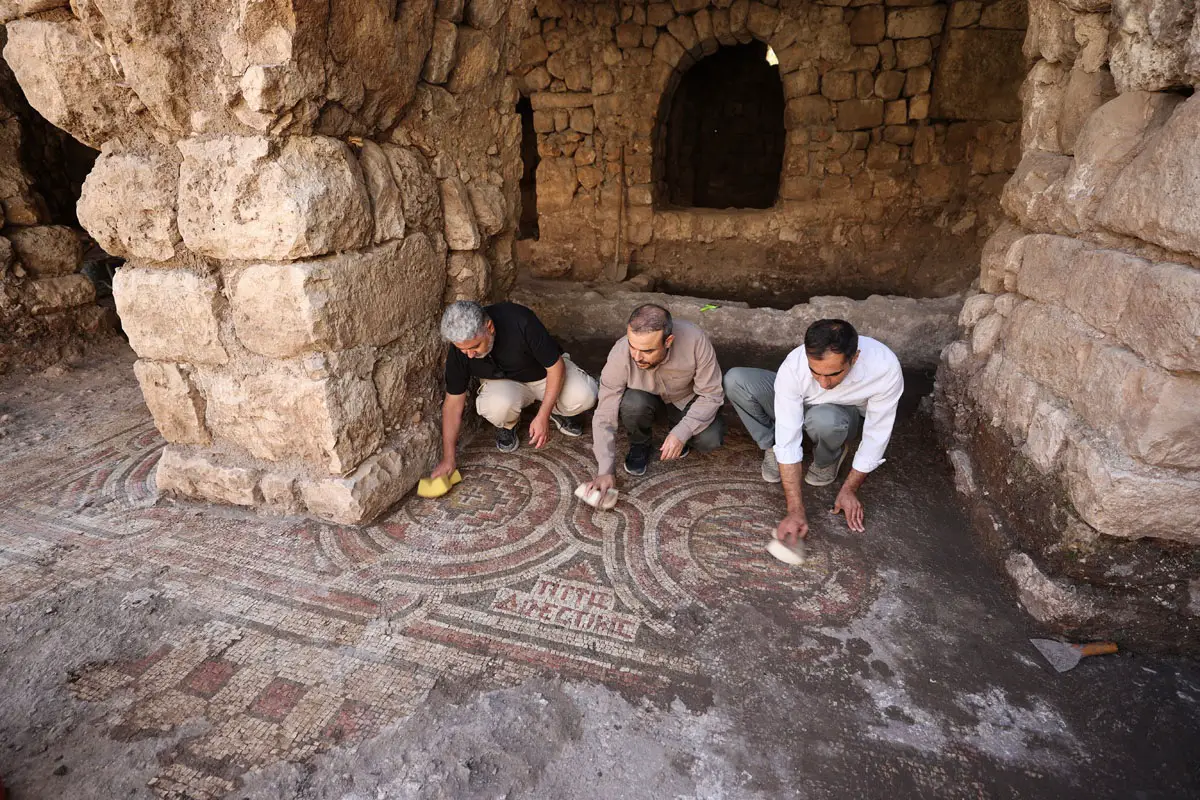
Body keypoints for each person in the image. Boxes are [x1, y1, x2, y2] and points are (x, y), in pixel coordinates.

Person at [723, 319, 903, 538]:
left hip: (838, 415)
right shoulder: (794, 366)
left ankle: (828, 457)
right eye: (815, 372)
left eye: (834, 374)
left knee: (825, 420)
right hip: (803, 404)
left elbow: (877, 434)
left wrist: (849, 489)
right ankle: (771, 445)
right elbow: (788, 437)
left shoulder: (884, 367)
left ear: (854, 358)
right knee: (736, 380)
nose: (823, 384)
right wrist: (795, 511)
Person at [432, 300, 598, 479]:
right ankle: (509, 423)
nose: (470, 355)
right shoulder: (460, 350)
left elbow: (555, 368)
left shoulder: (520, 320)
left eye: (475, 347)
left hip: (544, 375)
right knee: (495, 406)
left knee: (585, 395)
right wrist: (448, 458)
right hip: (505, 385)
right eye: (464, 350)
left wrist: (543, 415)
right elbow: (453, 404)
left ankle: (555, 410)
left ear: (489, 327)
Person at [583, 304, 725, 494]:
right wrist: (605, 470)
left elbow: (711, 394)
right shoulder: (620, 352)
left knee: (710, 439)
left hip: (685, 402)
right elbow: (604, 413)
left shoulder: (695, 340)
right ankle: (640, 443)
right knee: (633, 402)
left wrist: (682, 432)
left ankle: (677, 436)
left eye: (648, 351)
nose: (637, 357)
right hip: (646, 403)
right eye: (633, 347)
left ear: (668, 341)